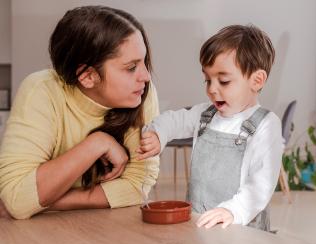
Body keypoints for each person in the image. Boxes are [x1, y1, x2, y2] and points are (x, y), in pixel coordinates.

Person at [0, 6, 159, 219]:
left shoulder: (141, 94)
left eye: (143, 62)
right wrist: (96, 144)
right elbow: (17, 197)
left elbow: (137, 187)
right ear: (87, 76)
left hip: (102, 228)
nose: (146, 76)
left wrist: (44, 201)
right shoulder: (41, 91)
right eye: (131, 67)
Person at [137, 25, 284, 231]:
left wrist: (233, 210)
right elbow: (174, 120)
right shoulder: (205, 115)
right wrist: (158, 134)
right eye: (207, 79)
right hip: (200, 221)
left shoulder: (266, 125)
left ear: (256, 80)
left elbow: (262, 183)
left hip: (240, 227)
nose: (212, 89)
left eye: (223, 81)